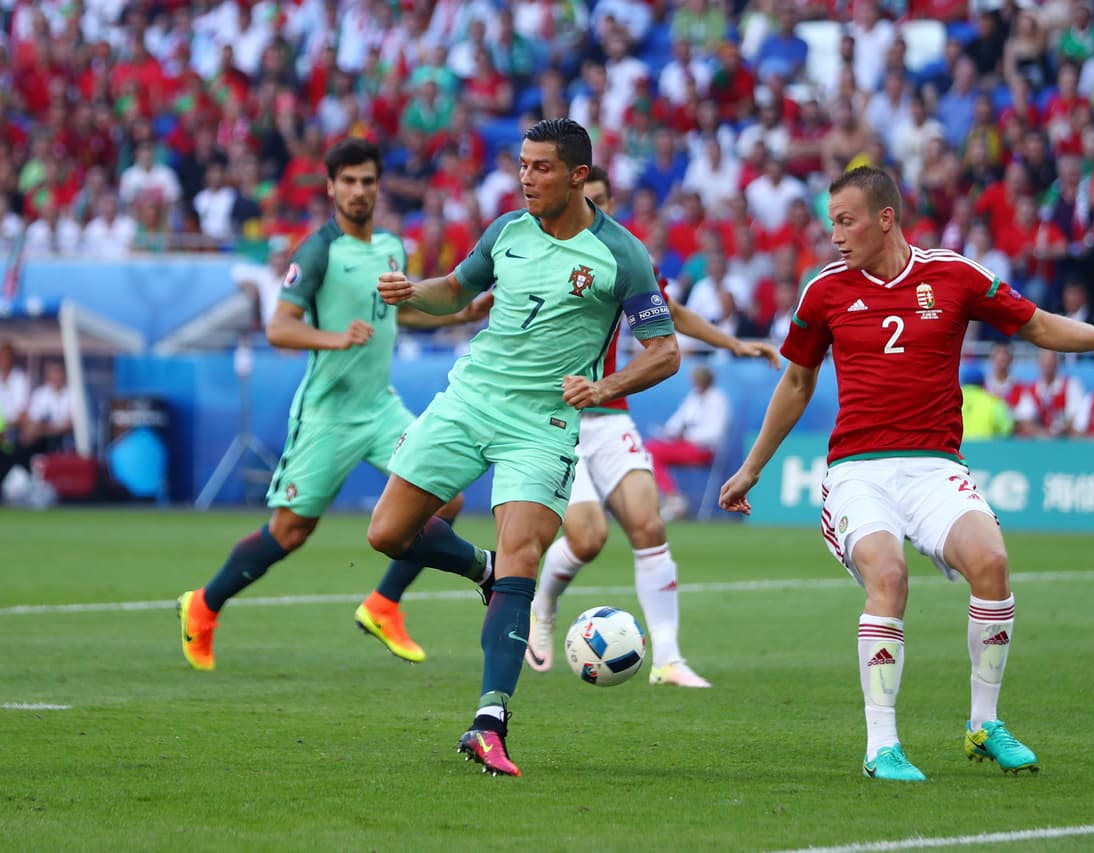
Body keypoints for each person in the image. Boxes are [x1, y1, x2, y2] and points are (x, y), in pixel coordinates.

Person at [719, 167, 1094, 782]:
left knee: (993, 565)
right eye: (831, 223)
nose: (836, 236)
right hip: (857, 472)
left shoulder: (954, 275)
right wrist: (751, 467)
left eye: (846, 221)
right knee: (889, 576)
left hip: (934, 466)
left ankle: (983, 726)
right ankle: (882, 746)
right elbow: (796, 381)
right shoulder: (823, 291)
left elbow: (1034, 323)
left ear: (885, 218)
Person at [364, 118, 680, 778]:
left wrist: (607, 385)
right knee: (387, 532)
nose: (526, 177)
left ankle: (489, 720)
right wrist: (410, 290)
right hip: (468, 399)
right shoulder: (506, 230)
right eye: (522, 164)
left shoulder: (621, 255)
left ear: (577, 175)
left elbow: (666, 351)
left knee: (525, 555)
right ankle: (482, 572)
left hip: (543, 425)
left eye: (540, 167)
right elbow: (455, 288)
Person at [177, 139, 490, 673]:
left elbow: (399, 316)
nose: (359, 190)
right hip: (326, 413)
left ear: (378, 186)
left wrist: (460, 315)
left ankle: (384, 605)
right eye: (349, 181)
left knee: (445, 497)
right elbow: (279, 327)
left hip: (380, 407)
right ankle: (204, 605)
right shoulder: (317, 250)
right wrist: (334, 337)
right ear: (331, 187)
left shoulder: (393, 246)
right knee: (291, 533)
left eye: (368, 181)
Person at [524, 165, 780, 687]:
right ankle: (542, 606)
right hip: (554, 422)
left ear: (606, 203)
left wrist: (731, 343)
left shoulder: (623, 257)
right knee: (589, 538)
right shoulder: (537, 252)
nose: (587, 209)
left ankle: (667, 658)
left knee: (649, 524)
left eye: (597, 200)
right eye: (580, 198)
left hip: (610, 413)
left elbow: (669, 312)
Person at [646, 364, 731, 520]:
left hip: (704, 450)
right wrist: (668, 433)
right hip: (685, 445)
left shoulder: (718, 400)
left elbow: (714, 433)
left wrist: (687, 437)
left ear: (705, 380)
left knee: (651, 451)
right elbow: (677, 422)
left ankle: (673, 499)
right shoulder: (693, 396)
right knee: (649, 450)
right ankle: (670, 498)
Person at [1012, 349, 1086, 437]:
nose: (1048, 365)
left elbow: (1075, 417)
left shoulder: (1071, 385)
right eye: (1045, 361)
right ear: (1039, 364)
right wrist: (1042, 433)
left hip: (1064, 440)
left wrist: (1058, 430)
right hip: (1039, 441)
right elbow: (1025, 418)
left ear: (1057, 363)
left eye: (1051, 361)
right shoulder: (1031, 390)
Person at [959, 366, 1014, 440]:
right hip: (985, 449)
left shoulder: (952, 401)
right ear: (982, 383)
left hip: (957, 448)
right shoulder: (994, 401)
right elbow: (1007, 429)